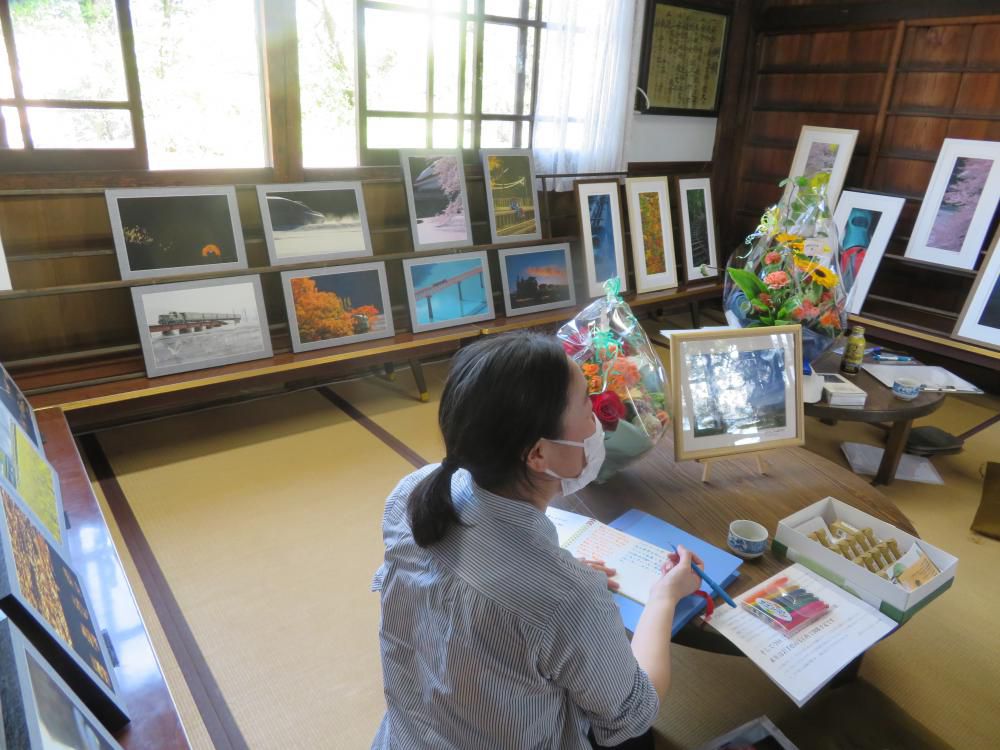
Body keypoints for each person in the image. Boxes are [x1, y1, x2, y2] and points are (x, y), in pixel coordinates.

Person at [371, 332, 703, 749]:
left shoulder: (413, 491)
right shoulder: (566, 598)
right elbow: (634, 710)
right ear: (538, 454)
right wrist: (664, 597)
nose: (597, 416)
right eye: (585, 403)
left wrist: (558, 581)